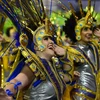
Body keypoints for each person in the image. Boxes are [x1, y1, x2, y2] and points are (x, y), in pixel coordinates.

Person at [62, 0, 100, 100]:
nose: (90, 32)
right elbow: (64, 75)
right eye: (85, 29)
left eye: (91, 29)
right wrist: (71, 74)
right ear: (77, 31)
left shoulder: (95, 47)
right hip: (80, 96)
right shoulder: (71, 51)